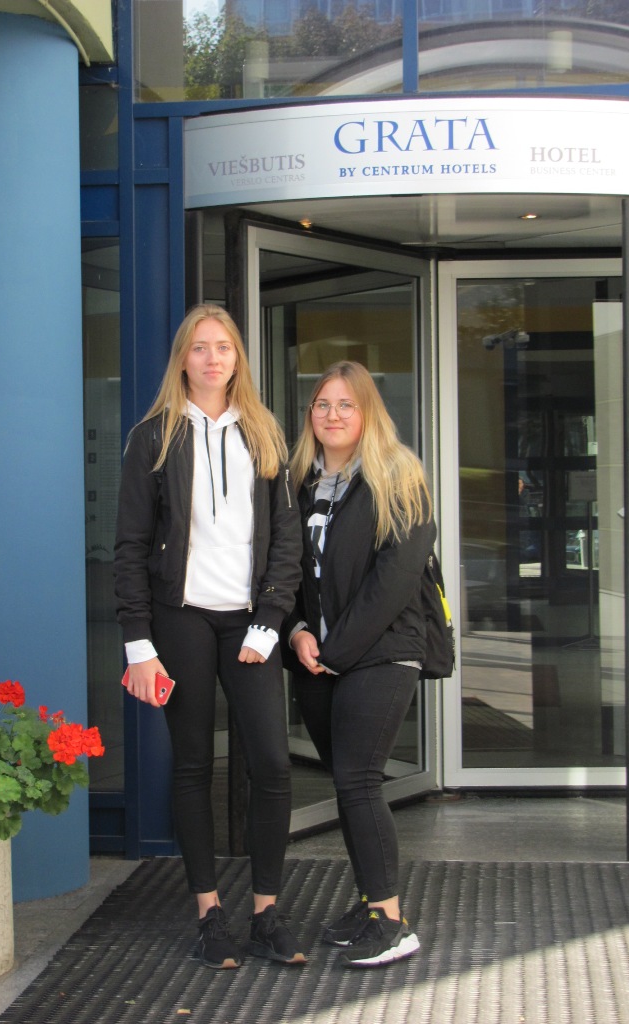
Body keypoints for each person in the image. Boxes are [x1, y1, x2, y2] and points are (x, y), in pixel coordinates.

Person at [113, 304, 305, 970]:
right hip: (182, 618)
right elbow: (130, 546)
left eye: (223, 347)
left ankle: (266, 913)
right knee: (193, 763)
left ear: (237, 358)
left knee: (272, 764)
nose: (212, 358)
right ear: (183, 359)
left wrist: (270, 620)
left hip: (250, 623)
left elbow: (287, 543)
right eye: (200, 347)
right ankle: (209, 914)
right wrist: (139, 644)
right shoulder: (153, 437)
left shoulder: (265, 432)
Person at [285, 360, 436, 969]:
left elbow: (394, 580)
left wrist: (336, 652)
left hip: (381, 652)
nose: (333, 415)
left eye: (346, 404)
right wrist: (297, 632)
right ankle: (374, 904)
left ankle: (393, 925)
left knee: (358, 781)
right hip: (316, 659)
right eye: (322, 404)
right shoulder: (299, 483)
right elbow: (286, 570)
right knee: (347, 787)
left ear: (367, 411)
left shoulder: (399, 476)